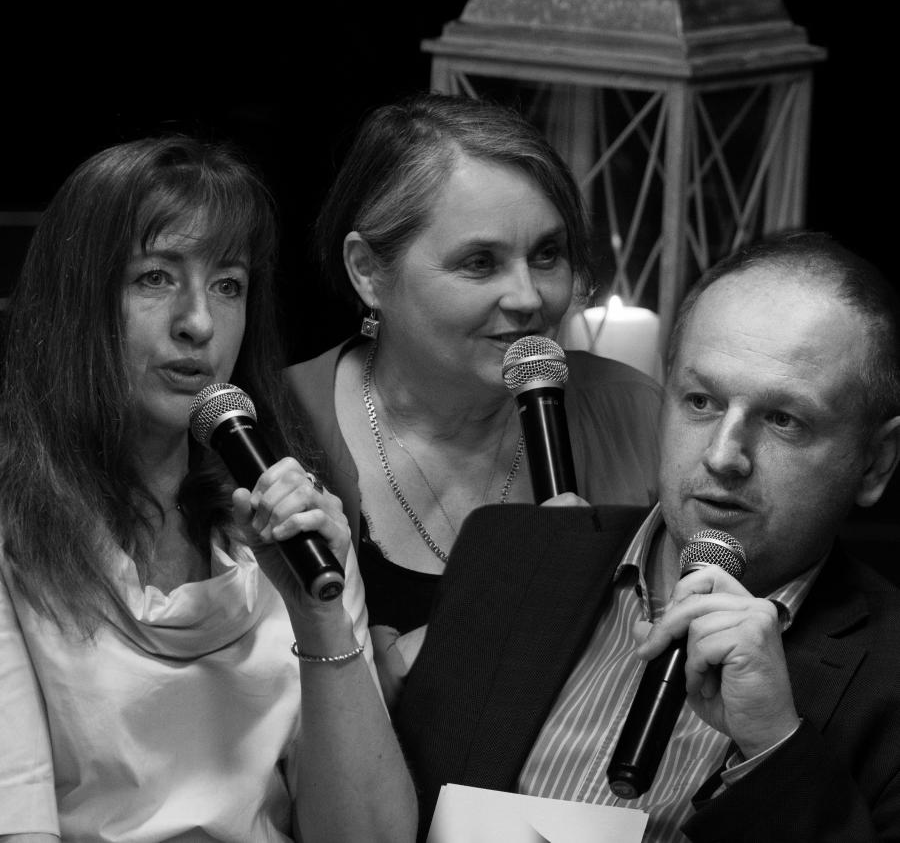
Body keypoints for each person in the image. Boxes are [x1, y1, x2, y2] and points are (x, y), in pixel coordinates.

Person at [395, 230, 900, 842]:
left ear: (875, 462)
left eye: (783, 420)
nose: (723, 456)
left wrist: (774, 745)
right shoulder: (509, 552)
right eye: (701, 401)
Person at [0, 137, 416, 842]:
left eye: (228, 285)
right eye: (155, 278)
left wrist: (320, 618)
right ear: (76, 301)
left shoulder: (291, 518)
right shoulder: (15, 533)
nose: (198, 323)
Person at [284, 92, 662, 705]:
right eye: (481, 263)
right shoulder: (277, 427)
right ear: (368, 271)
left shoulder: (639, 416)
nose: (529, 297)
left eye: (547, 254)